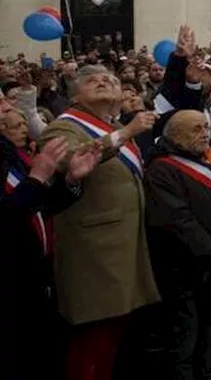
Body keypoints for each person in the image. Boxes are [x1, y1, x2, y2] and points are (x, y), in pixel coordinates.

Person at [38, 65, 159, 380]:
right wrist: (126, 133)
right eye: (93, 80)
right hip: (93, 251)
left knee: (112, 337)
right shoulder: (63, 126)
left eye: (112, 79)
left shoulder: (114, 124)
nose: (105, 80)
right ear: (75, 95)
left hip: (123, 246)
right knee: (90, 341)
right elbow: (67, 159)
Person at [142, 110, 211, 379]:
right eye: (196, 129)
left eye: (205, 127)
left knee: (210, 330)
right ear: (175, 135)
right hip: (187, 269)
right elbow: (178, 220)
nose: (205, 133)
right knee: (186, 338)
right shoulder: (162, 168)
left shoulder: (210, 155)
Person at [1, 107, 102, 379]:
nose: (9, 108)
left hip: (38, 279)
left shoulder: (14, 156)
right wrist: (37, 179)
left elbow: (41, 206)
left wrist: (71, 180)